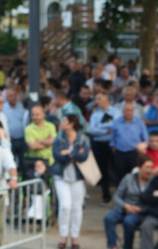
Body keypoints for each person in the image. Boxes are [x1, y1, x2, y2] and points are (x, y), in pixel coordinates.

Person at [51, 114, 91, 249]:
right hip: (61, 176)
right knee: (65, 206)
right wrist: (74, 154)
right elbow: (57, 155)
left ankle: (75, 238)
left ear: (71, 123)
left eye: (64, 120)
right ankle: (63, 237)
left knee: (77, 207)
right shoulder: (59, 137)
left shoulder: (83, 138)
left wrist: (68, 153)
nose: (62, 122)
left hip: (78, 177)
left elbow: (84, 155)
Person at [104, 155, 154, 249]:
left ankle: (127, 247)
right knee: (108, 218)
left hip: (139, 210)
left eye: (151, 167)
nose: (149, 170)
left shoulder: (153, 181)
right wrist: (125, 206)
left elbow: (154, 201)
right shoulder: (128, 178)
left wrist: (140, 209)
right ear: (139, 167)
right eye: (147, 167)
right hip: (124, 206)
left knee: (128, 221)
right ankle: (112, 246)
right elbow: (117, 195)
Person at [88, 92, 120, 202]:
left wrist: (100, 126)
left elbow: (116, 126)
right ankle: (106, 194)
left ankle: (119, 192)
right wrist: (107, 129)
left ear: (105, 100)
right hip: (99, 145)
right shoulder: (95, 114)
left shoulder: (116, 112)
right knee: (103, 170)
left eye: (99, 99)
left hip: (113, 144)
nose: (96, 102)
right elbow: (92, 130)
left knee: (116, 168)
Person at [110, 101, 148, 186]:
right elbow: (113, 138)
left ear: (133, 111)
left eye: (130, 110)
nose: (128, 112)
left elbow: (145, 139)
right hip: (120, 153)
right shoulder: (117, 122)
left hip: (134, 153)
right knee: (119, 175)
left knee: (135, 174)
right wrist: (114, 149)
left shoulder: (139, 122)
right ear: (123, 111)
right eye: (127, 110)